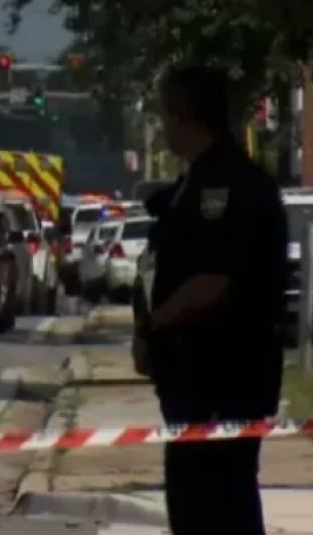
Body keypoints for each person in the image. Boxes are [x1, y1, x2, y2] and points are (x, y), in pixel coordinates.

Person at [133, 64, 287, 535]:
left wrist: (156, 324)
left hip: (222, 378)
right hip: (194, 382)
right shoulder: (195, 183)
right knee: (195, 500)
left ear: (187, 116)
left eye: (165, 114)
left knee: (217, 503)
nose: (162, 126)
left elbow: (213, 281)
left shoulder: (224, 188)